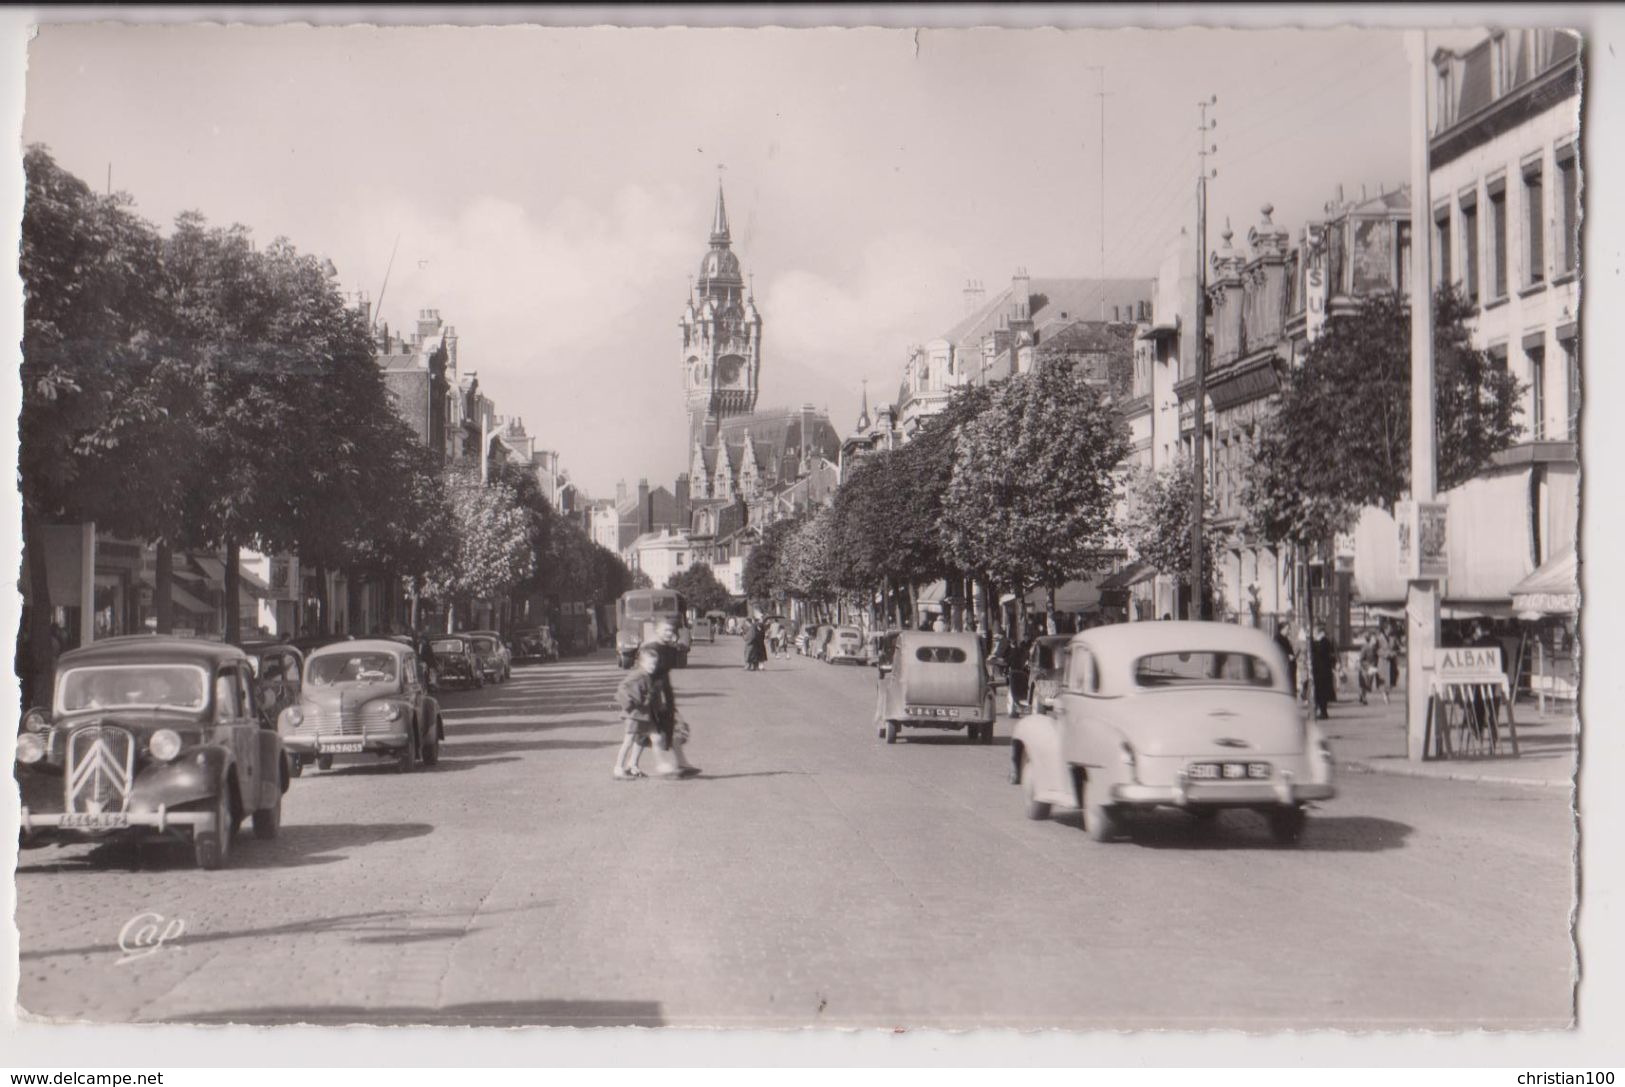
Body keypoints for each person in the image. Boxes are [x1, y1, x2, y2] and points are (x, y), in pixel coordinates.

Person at [1309, 623, 1337, 720]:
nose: (1313, 634)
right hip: (1319, 671)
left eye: (1315, 632)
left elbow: (1320, 652)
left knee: (1322, 693)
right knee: (1319, 692)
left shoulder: (1324, 641)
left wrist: (1312, 642)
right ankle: (1320, 711)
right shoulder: (1320, 641)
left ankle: (1323, 712)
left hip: (1323, 671)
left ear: (1319, 632)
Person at [1273, 620, 1299, 700]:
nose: (1289, 631)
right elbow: (1278, 651)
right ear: (1282, 629)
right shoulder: (1278, 639)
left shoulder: (1285, 638)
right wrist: (1288, 656)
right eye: (1288, 628)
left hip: (1289, 666)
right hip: (1285, 666)